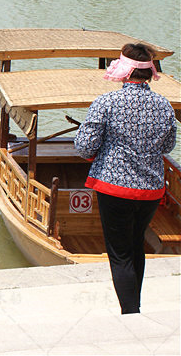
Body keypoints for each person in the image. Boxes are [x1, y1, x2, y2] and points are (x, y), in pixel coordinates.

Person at [74, 43, 176, 314]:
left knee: (119, 254)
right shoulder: (164, 105)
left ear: (125, 71)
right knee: (135, 245)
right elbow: (167, 146)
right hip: (151, 190)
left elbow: (84, 147)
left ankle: (131, 314)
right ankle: (134, 306)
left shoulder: (106, 102)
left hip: (114, 188)